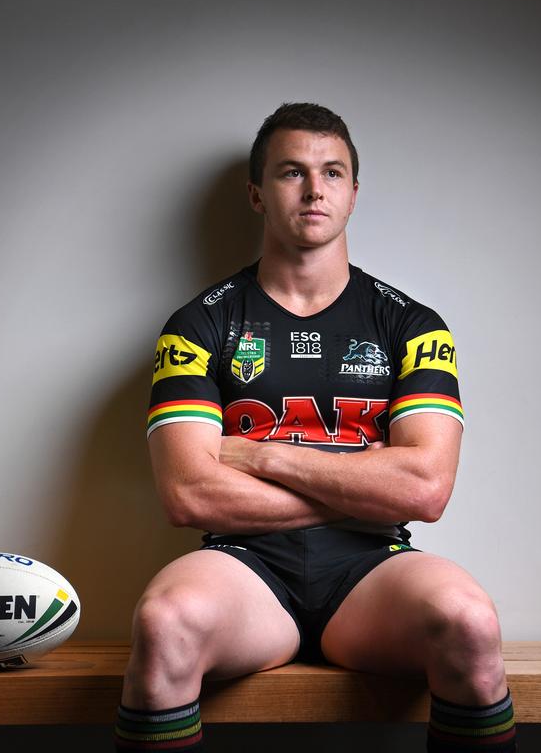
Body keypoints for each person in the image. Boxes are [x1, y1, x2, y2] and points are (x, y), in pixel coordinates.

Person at [115, 103, 516, 752]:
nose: (313, 189)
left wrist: (257, 456)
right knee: (165, 624)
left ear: (354, 192)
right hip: (244, 568)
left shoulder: (411, 325)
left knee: (469, 623)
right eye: (291, 172)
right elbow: (188, 494)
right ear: (257, 192)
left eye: (333, 172)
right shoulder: (198, 325)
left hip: (371, 569)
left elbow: (423, 492)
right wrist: (365, 479)